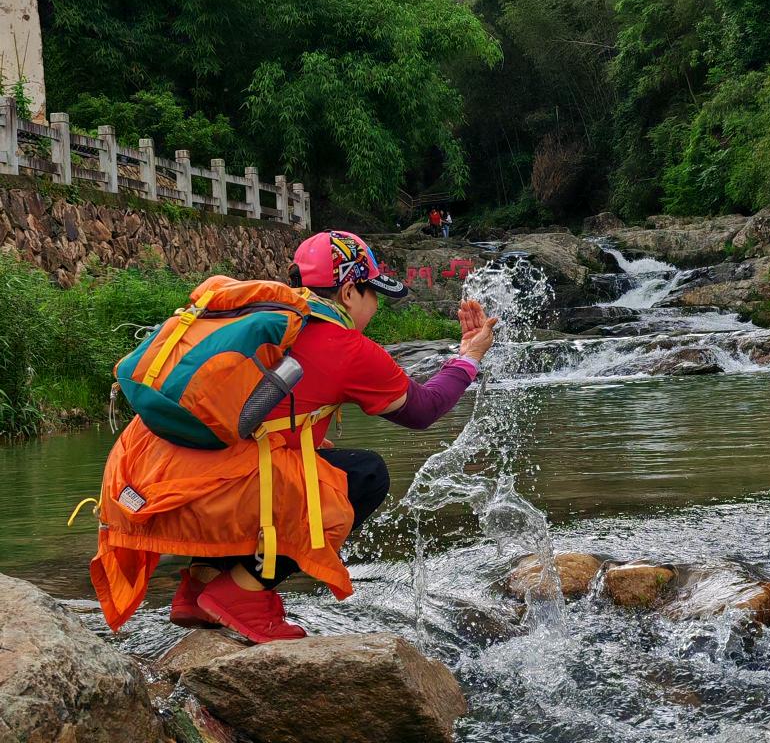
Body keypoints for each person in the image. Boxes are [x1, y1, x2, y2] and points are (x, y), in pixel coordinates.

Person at [89, 230, 497, 643]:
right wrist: (469, 357)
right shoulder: (345, 345)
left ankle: (199, 586)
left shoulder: (256, 318)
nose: (375, 307)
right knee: (366, 475)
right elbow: (424, 409)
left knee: (278, 465)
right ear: (350, 290)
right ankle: (242, 592)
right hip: (197, 496)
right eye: (373, 294)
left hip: (134, 483)